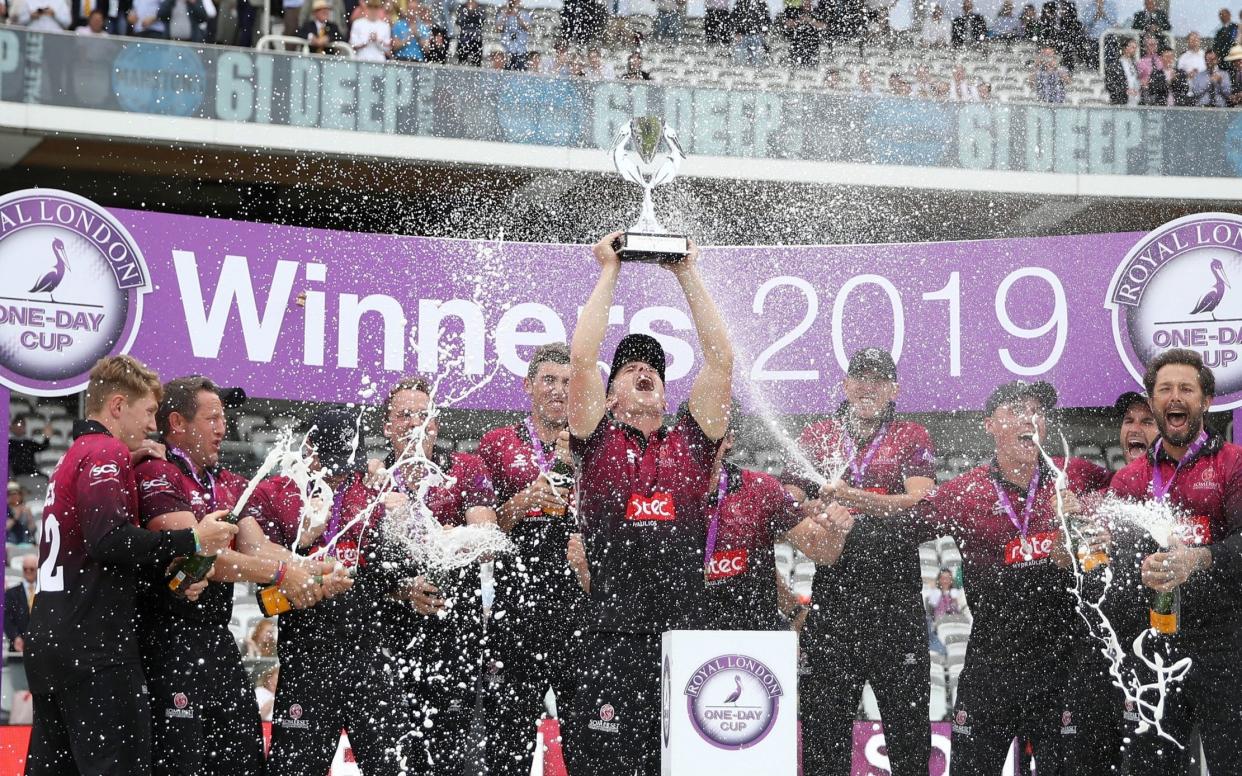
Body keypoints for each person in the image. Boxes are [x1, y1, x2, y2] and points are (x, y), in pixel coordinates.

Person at [559, 233, 731, 776]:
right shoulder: (598, 439)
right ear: (609, 397)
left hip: (685, 642)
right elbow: (583, 358)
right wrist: (608, 268)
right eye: (629, 365)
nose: (642, 369)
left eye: (652, 366)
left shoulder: (691, 440)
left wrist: (686, 273)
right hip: (612, 636)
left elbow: (721, 360)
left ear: (665, 389)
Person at [23, 355, 236, 776]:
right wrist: (193, 539)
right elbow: (109, 540)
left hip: (50, 641)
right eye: (149, 411)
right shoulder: (106, 452)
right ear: (118, 406)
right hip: (95, 648)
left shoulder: (75, 455)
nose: (154, 426)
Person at [133, 376, 338, 776]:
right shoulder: (158, 472)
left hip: (216, 641)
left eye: (223, 418)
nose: (223, 429)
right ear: (177, 422)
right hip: (166, 642)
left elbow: (258, 549)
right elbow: (201, 555)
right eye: (212, 419)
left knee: (244, 761)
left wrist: (316, 569)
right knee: (179, 765)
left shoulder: (229, 482)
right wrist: (284, 572)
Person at [917, 380, 1114, 776]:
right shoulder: (964, 491)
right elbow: (905, 529)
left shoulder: (1075, 475)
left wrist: (1099, 519)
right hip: (993, 663)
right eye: (1016, 410)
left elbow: (1135, 494)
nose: (1030, 419)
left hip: (1063, 664)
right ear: (989, 424)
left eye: (1036, 411)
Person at [785, 348, 939, 776]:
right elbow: (788, 498)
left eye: (879, 379)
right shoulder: (818, 436)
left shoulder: (912, 435)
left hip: (896, 605)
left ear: (894, 389)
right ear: (846, 385)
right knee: (822, 745)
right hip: (834, 606)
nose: (868, 386)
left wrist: (850, 498)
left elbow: (919, 504)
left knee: (910, 747)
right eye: (860, 377)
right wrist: (815, 510)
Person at [251, 407, 409, 776]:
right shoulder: (278, 493)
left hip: (369, 657)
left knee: (392, 768)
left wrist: (402, 519)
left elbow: (391, 574)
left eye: (346, 465)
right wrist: (303, 547)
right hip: (307, 661)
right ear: (310, 452)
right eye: (329, 464)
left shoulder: (373, 491)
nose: (337, 475)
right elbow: (263, 588)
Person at [1108, 349, 1242, 773]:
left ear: (1205, 401)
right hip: (1154, 649)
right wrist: (1136, 570)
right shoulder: (1128, 480)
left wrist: (1199, 559)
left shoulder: (1232, 464)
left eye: (1186, 388)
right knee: (1152, 768)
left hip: (1225, 644)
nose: (1175, 396)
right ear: (1153, 403)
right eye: (1165, 389)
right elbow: (1117, 566)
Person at [367, 376, 500, 773]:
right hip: (391, 641)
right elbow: (362, 565)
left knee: (450, 758)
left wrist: (429, 534)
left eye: (421, 415)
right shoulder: (374, 483)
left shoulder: (465, 468)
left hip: (454, 638)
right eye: (403, 415)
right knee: (397, 761)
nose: (412, 423)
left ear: (435, 424)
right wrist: (402, 589)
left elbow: (487, 538)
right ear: (387, 426)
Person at [476, 344, 587, 776]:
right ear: (529, 385)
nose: (559, 391)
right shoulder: (498, 444)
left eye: (567, 382)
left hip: (578, 613)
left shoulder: (592, 444)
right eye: (549, 380)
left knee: (587, 743)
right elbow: (481, 533)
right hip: (514, 617)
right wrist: (520, 503)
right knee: (507, 750)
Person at [696, 402, 852, 632]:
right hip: (679, 637)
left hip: (754, 634)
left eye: (711, 432)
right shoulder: (658, 488)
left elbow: (822, 552)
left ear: (729, 439)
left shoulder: (761, 489)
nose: (700, 442)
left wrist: (836, 531)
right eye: (692, 433)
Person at [4, 554, 37, 652]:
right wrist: (15, 637)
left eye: (31, 569)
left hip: (41, 646)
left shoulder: (44, 592)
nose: (28, 572)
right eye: (25, 569)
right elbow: (7, 618)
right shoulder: (11, 593)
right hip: (18, 647)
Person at [1115, 391, 1158, 466]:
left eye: (1147, 422)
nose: (1134, 429)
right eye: (1129, 421)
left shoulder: (1181, 476)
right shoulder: (1114, 477)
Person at [496, 0, 533, 69]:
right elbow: (498, 29)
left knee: (521, 75)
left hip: (521, 51)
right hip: (506, 51)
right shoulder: (503, 14)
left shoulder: (524, 14)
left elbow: (528, 28)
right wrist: (505, 15)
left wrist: (518, 16)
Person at [1104, 36, 1141, 104]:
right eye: (1132, 47)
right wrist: (1125, 91)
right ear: (1125, 48)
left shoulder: (1134, 64)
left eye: (1135, 48)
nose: (1135, 50)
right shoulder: (1114, 65)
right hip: (1121, 101)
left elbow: (1136, 80)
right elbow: (1110, 84)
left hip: (1135, 101)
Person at [454, 0, 485, 65]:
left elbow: (482, 21)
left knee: (476, 62)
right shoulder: (462, 7)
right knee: (461, 61)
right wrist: (470, 12)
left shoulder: (480, 8)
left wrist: (474, 11)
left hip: (476, 38)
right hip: (464, 38)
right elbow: (459, 21)